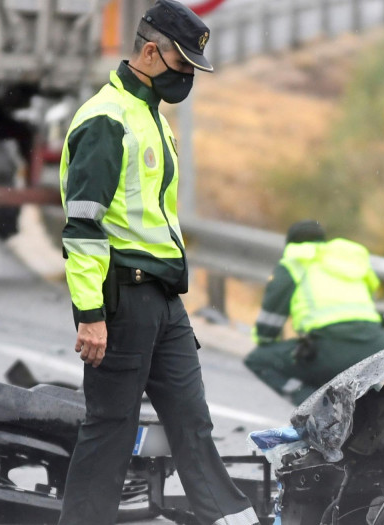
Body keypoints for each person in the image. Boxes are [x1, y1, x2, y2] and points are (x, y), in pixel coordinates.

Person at [58, 1, 257, 523]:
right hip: (122, 299)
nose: (187, 75)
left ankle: (231, 517)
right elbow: (82, 227)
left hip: (165, 301)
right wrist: (90, 314)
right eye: (183, 63)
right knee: (110, 429)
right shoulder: (106, 119)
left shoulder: (150, 117)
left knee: (193, 423)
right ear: (151, 50)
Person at [244, 220, 384, 405]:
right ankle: (374, 417)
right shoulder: (348, 260)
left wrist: (266, 342)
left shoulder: (295, 262)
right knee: (364, 383)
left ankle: (316, 406)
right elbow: (371, 293)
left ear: (291, 245)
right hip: (377, 343)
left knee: (259, 360)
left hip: (329, 346)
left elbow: (270, 322)